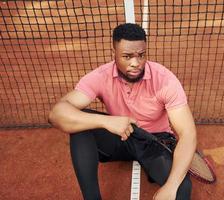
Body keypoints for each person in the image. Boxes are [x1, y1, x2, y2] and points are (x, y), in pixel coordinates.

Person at [48, 23, 197, 200]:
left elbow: (188, 134)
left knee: (182, 190)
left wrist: (171, 187)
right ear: (114, 55)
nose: (136, 63)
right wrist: (106, 121)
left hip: (154, 141)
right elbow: (56, 114)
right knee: (81, 127)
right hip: (121, 134)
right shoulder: (101, 76)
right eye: (127, 56)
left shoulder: (165, 80)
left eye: (141, 55)